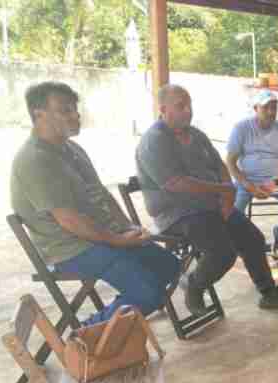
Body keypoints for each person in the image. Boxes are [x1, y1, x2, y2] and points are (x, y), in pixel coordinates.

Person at [10, 81, 180, 326]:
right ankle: (84, 339)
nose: (75, 115)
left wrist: (127, 227)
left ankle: (123, 319)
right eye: (65, 110)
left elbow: (102, 195)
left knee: (168, 267)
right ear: (39, 115)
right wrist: (119, 240)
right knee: (147, 292)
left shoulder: (72, 149)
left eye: (75, 109)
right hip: (70, 248)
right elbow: (69, 220)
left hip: (99, 237)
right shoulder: (35, 159)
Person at [136, 84, 278, 313]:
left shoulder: (196, 136)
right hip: (178, 213)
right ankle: (194, 284)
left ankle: (269, 294)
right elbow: (176, 183)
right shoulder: (154, 141)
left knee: (253, 238)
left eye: (189, 105)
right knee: (223, 252)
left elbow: (221, 166)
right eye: (180, 106)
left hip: (209, 206)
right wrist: (222, 191)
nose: (188, 111)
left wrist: (227, 193)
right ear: (163, 110)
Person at [226, 90, 278, 258]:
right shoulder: (241, 128)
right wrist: (249, 186)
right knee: (231, 210)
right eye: (266, 108)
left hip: (276, 180)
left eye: (273, 108)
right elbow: (231, 163)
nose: (271, 112)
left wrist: (275, 184)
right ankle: (240, 243)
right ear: (256, 108)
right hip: (246, 181)